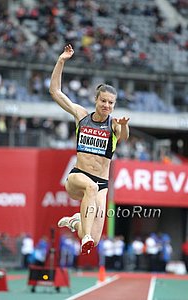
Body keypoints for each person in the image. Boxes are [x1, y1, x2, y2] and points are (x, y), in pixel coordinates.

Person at [49, 44, 130, 255]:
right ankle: (82, 232)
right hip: (78, 177)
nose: (106, 105)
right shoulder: (81, 116)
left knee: (93, 242)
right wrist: (61, 61)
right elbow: (55, 92)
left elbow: (124, 136)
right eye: (103, 101)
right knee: (90, 189)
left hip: (101, 184)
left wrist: (123, 125)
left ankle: (76, 223)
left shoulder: (114, 124)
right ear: (96, 100)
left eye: (110, 103)